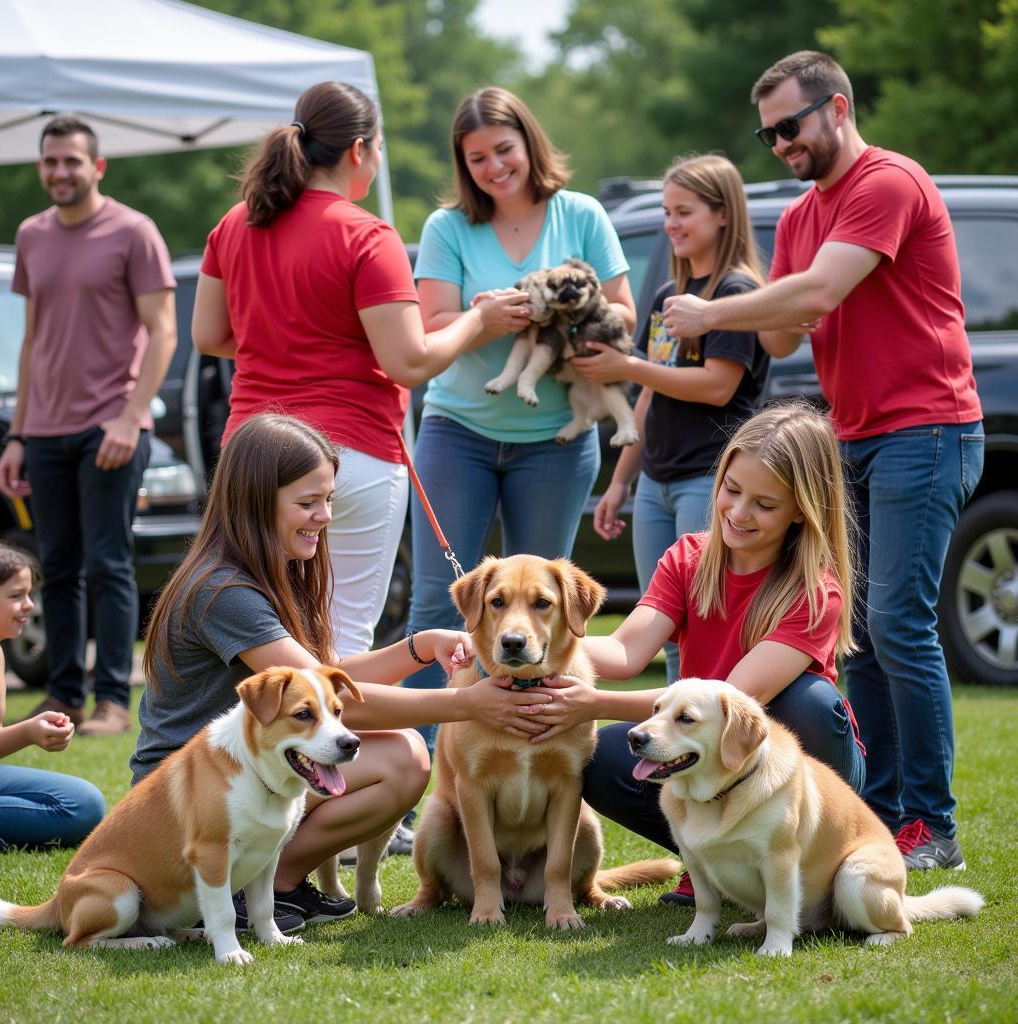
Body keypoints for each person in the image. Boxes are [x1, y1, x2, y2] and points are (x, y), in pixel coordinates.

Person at [664, 51, 984, 871]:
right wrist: (733, 296)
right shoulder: (805, 216)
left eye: (792, 126)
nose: (780, 145)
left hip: (928, 427)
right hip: (850, 437)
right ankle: (879, 816)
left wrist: (712, 310)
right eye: (768, 134)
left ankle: (933, 826)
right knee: (862, 637)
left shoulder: (887, 182)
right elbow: (784, 330)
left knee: (900, 625)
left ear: (837, 107)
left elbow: (812, 296)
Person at [133, 413, 559, 929]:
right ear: (254, 502)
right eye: (308, 503)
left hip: (245, 769)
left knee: (398, 748)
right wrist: (466, 703)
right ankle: (263, 888)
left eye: (329, 499)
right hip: (188, 795)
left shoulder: (276, 572)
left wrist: (420, 647)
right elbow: (327, 696)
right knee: (403, 758)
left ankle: (270, 883)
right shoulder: (225, 592)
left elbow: (325, 676)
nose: (324, 516)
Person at [192, 81, 525, 666]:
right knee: (342, 643)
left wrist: (282, 340)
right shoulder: (366, 234)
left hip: (251, 457)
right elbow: (409, 360)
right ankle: (349, 759)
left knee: (259, 640)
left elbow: (209, 336)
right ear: (359, 150)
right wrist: (479, 321)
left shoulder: (235, 223)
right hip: (354, 453)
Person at [508, 402, 864, 907]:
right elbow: (624, 652)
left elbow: (737, 697)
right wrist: (529, 641)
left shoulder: (814, 591)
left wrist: (591, 703)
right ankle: (711, 865)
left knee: (804, 703)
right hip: (703, 752)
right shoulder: (688, 559)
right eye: (731, 490)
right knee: (604, 756)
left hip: (798, 763)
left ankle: (804, 864)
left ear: (802, 511)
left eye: (764, 504)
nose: (738, 513)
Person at [401, 86, 637, 749]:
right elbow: (431, 325)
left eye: (504, 149)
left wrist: (563, 311)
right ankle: (412, 777)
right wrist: (486, 318)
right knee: (434, 604)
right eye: (476, 158)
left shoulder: (581, 214)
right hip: (458, 433)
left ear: (529, 144)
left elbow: (623, 312)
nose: (494, 166)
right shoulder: (448, 227)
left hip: (553, 445)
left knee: (543, 614)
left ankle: (540, 759)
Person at [0, 116, 177, 736]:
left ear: (97, 167)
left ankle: (113, 702)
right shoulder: (31, 235)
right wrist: (18, 433)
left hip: (112, 426)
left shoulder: (134, 231)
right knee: (58, 565)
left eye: (72, 161)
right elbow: (33, 341)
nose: (59, 172)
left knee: (108, 563)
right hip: (43, 430)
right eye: (50, 161)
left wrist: (131, 418)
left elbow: (165, 331)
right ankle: (63, 697)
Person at [572, 153, 769, 681]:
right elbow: (648, 396)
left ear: (722, 213)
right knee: (666, 628)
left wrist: (628, 365)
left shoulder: (735, 294)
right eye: (666, 211)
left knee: (709, 626)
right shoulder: (666, 296)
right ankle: (678, 752)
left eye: (685, 212)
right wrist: (619, 483)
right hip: (655, 485)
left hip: (709, 482)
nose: (671, 225)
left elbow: (717, 384)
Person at [0, 541, 106, 851]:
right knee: (80, 811)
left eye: (29, 594)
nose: (29, 604)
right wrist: (28, 731)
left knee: (85, 803)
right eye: (16, 596)